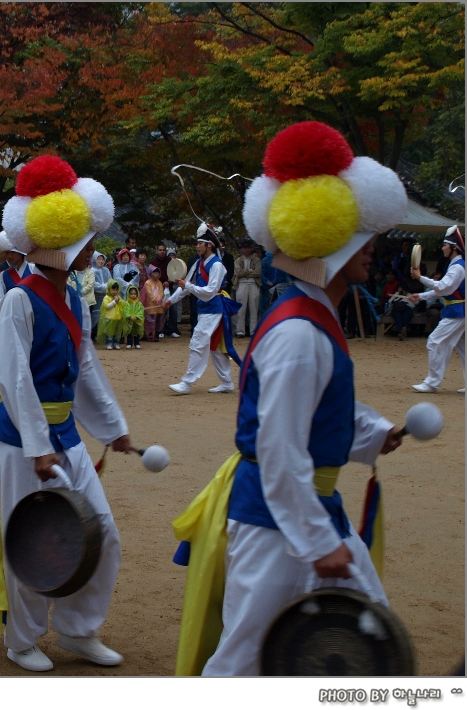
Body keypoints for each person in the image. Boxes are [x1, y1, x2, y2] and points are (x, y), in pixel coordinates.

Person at [172, 120, 408, 676]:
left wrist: (373, 433)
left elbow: (318, 413)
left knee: (365, 632)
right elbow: (279, 446)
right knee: (244, 661)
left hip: (305, 510)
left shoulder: (310, 318)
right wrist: (313, 539)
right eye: (364, 237)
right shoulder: (301, 332)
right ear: (334, 236)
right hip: (278, 519)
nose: (374, 250)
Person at [0, 155, 130, 672]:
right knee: (35, 540)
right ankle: (22, 639)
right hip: (23, 440)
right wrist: (38, 446)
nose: (92, 249)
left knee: (101, 530)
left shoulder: (77, 298)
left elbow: (85, 372)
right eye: (83, 240)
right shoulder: (19, 300)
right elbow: (13, 380)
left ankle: (80, 630)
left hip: (64, 435)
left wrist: (113, 428)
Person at [165, 224, 240, 395]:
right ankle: (227, 382)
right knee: (214, 347)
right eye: (197, 243)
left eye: (200, 243)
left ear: (209, 245)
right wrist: (170, 300)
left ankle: (187, 382)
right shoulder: (199, 263)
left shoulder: (217, 266)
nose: (197, 246)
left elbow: (210, 292)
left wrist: (189, 286)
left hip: (214, 308)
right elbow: (184, 287)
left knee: (198, 343)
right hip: (206, 309)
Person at [410, 226, 466, 394]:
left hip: (457, 311)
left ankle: (432, 383)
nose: (442, 248)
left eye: (445, 245)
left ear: (454, 247)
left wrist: (420, 278)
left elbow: (443, 288)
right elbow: (445, 289)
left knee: (434, 341)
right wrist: (421, 296)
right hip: (459, 310)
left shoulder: (457, 267)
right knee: (464, 349)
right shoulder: (457, 265)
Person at [0, 230, 35, 314]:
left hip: (32, 313)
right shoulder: (3, 275)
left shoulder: (34, 270)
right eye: (7, 253)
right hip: (12, 315)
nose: (9, 256)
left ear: (20, 253)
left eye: (13, 252)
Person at [232, 240, 261, 337]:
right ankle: (240, 331)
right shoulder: (238, 260)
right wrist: (250, 271)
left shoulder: (256, 260)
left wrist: (245, 272)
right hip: (241, 284)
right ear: (241, 249)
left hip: (253, 284)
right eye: (245, 248)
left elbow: (258, 272)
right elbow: (238, 273)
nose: (247, 249)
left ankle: (253, 331)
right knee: (241, 309)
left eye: (248, 247)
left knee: (254, 309)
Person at [97, 280, 124, 350]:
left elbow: (122, 304)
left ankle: (116, 343)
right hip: (109, 318)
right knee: (109, 332)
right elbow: (107, 307)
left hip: (117, 318)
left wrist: (119, 301)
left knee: (116, 332)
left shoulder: (118, 297)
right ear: (109, 289)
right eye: (113, 289)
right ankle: (109, 343)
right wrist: (115, 301)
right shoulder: (106, 298)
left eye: (116, 290)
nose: (115, 291)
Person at [91, 251, 111, 337]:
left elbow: (110, 281)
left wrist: (106, 286)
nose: (101, 261)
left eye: (102, 259)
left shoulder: (106, 270)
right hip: (96, 296)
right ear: (95, 260)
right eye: (99, 259)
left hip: (106, 296)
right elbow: (93, 284)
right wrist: (104, 287)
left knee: (106, 314)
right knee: (95, 315)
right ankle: (93, 334)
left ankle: (103, 334)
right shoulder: (92, 271)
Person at [122, 284, 144, 349]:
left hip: (137, 321)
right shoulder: (127, 303)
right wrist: (129, 317)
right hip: (129, 320)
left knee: (137, 332)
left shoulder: (139, 304)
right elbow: (125, 311)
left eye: (134, 294)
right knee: (129, 332)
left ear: (137, 294)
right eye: (131, 294)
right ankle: (129, 343)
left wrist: (137, 317)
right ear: (129, 294)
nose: (133, 295)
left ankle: (137, 343)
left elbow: (141, 311)